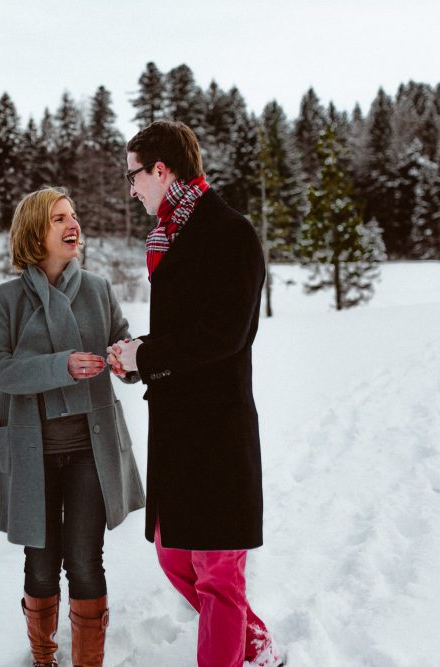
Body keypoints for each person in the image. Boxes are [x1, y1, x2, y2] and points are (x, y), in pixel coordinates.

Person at [108, 121, 283, 667]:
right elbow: (187, 333)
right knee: (173, 555)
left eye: (134, 176)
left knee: (218, 572)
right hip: (178, 431)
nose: (131, 189)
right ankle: (255, 645)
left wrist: (148, 357)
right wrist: (138, 356)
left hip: (217, 430)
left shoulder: (229, 232)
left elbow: (223, 335)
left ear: (161, 170)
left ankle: (238, 651)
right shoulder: (170, 235)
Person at [0, 187, 145, 667]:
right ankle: (44, 657)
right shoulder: (6, 300)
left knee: (86, 560)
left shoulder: (98, 289)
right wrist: (61, 366)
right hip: (33, 452)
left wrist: (128, 360)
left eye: (73, 216)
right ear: (35, 232)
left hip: (92, 450)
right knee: (41, 563)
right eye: (58, 219)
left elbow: (124, 346)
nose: (73, 225)